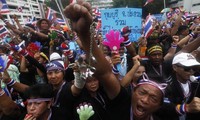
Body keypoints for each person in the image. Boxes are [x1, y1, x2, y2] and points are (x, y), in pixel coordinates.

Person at [64, 1, 167, 119]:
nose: (144, 100)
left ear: (159, 106)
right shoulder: (122, 104)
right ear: (133, 92)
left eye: (153, 98)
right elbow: (105, 73)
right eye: (142, 93)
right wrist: (84, 34)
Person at [156, 52, 200, 120]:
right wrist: (186, 108)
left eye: (194, 68)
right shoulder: (165, 86)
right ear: (175, 67)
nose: (191, 72)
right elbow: (163, 107)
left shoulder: (195, 83)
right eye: (187, 68)